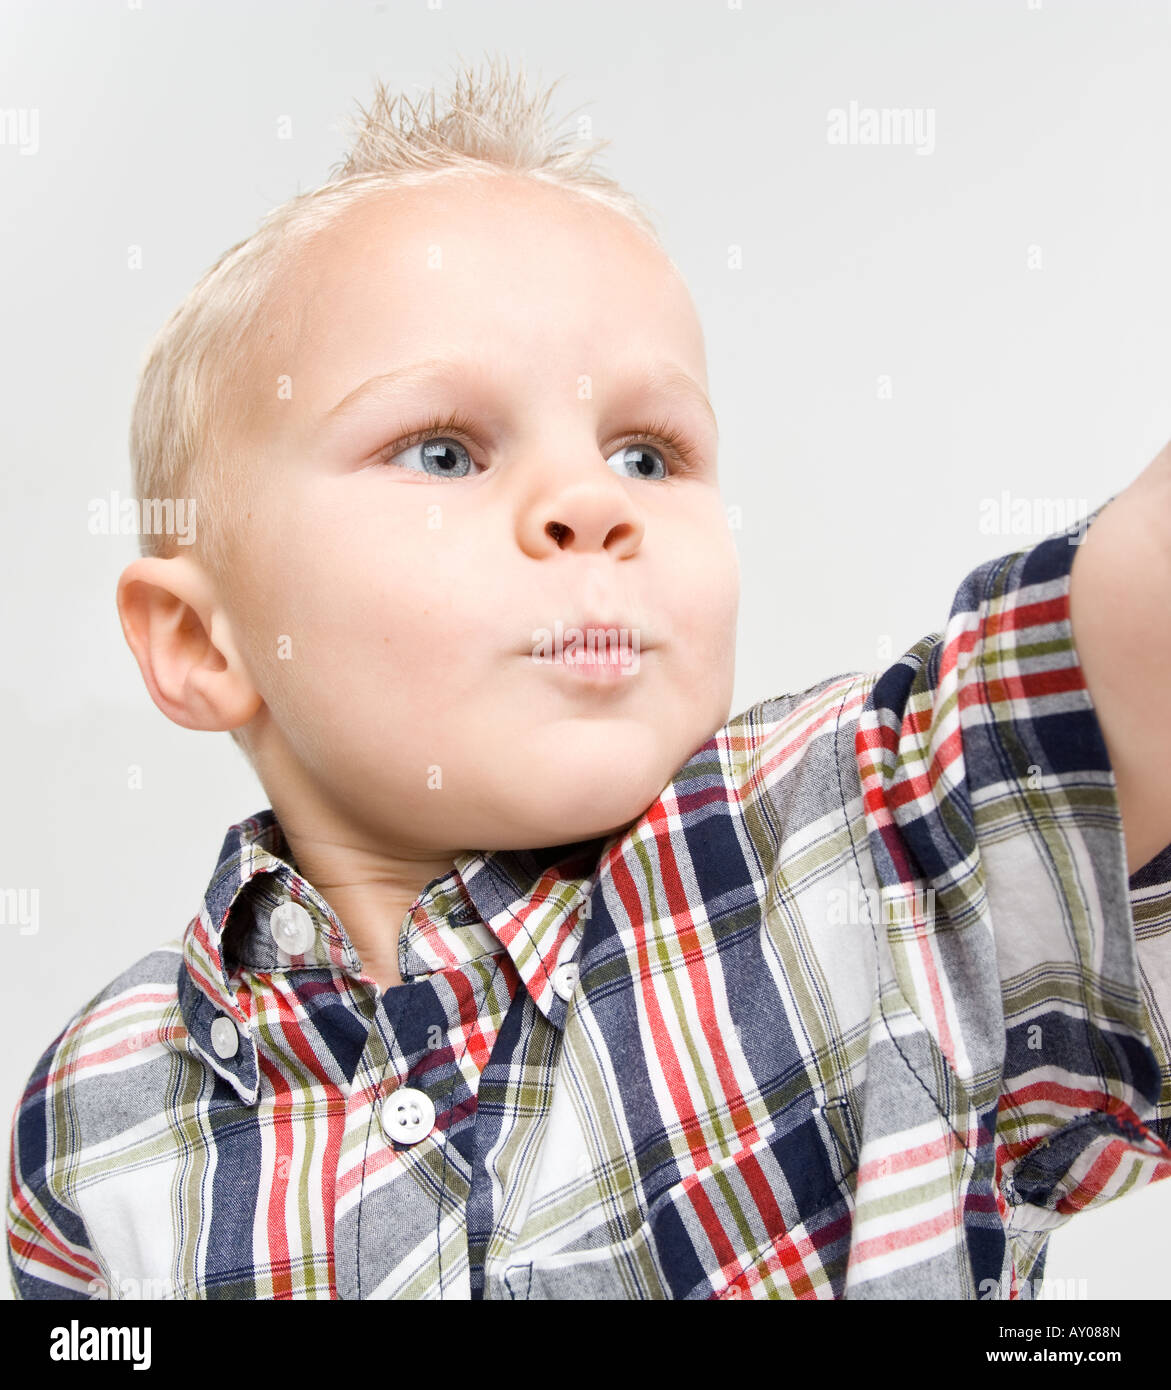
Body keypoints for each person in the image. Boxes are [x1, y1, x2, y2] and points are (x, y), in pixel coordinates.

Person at [8, 53, 1171, 1301]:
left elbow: (1123, 630)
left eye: (647, 452)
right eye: (445, 450)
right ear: (200, 643)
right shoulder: (97, 1119)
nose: (590, 502)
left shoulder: (863, 846)